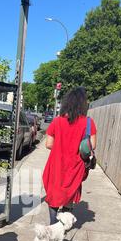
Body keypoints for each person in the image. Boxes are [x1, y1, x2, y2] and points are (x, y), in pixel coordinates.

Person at [43, 87, 97, 225]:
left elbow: (48, 144)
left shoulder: (57, 121)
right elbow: (92, 146)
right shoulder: (89, 123)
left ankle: (53, 225)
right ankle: (64, 225)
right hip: (76, 165)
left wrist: (61, 146)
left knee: (54, 194)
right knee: (69, 195)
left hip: (57, 164)